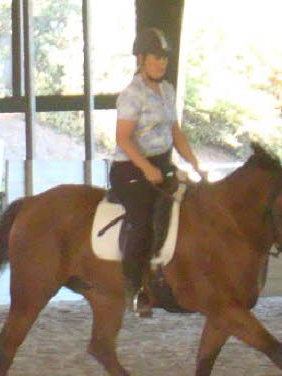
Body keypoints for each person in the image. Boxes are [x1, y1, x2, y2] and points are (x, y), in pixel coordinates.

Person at [111, 27, 205, 315]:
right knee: (142, 218)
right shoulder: (131, 95)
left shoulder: (167, 90)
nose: (162, 63)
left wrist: (194, 162)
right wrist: (146, 168)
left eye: (165, 58)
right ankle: (134, 288)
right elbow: (123, 139)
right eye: (156, 57)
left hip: (162, 165)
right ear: (141, 59)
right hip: (130, 169)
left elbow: (175, 132)